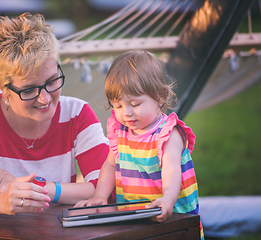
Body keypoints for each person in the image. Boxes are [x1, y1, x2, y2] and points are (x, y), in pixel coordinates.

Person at [0, 13, 109, 223]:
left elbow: (107, 191)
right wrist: (3, 202)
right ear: (4, 88)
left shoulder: (77, 114)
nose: (45, 98)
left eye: (52, 81)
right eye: (29, 90)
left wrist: (37, 187)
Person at [74, 50, 204, 239]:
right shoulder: (121, 132)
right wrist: (100, 196)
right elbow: (110, 165)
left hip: (173, 219)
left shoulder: (168, 133)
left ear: (160, 97)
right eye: (118, 105)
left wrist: (168, 198)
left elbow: (172, 170)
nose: (126, 112)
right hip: (135, 219)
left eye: (135, 104)